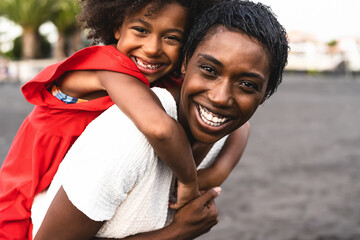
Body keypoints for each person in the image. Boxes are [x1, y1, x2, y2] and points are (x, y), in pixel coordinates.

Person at [32, 0, 289, 239]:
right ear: (187, 60)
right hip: (31, 167)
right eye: (209, 70)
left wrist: (213, 175)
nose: (221, 98)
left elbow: (242, 129)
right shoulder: (127, 122)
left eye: (247, 84)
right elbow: (161, 129)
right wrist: (179, 221)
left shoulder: (213, 117)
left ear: (265, 94)